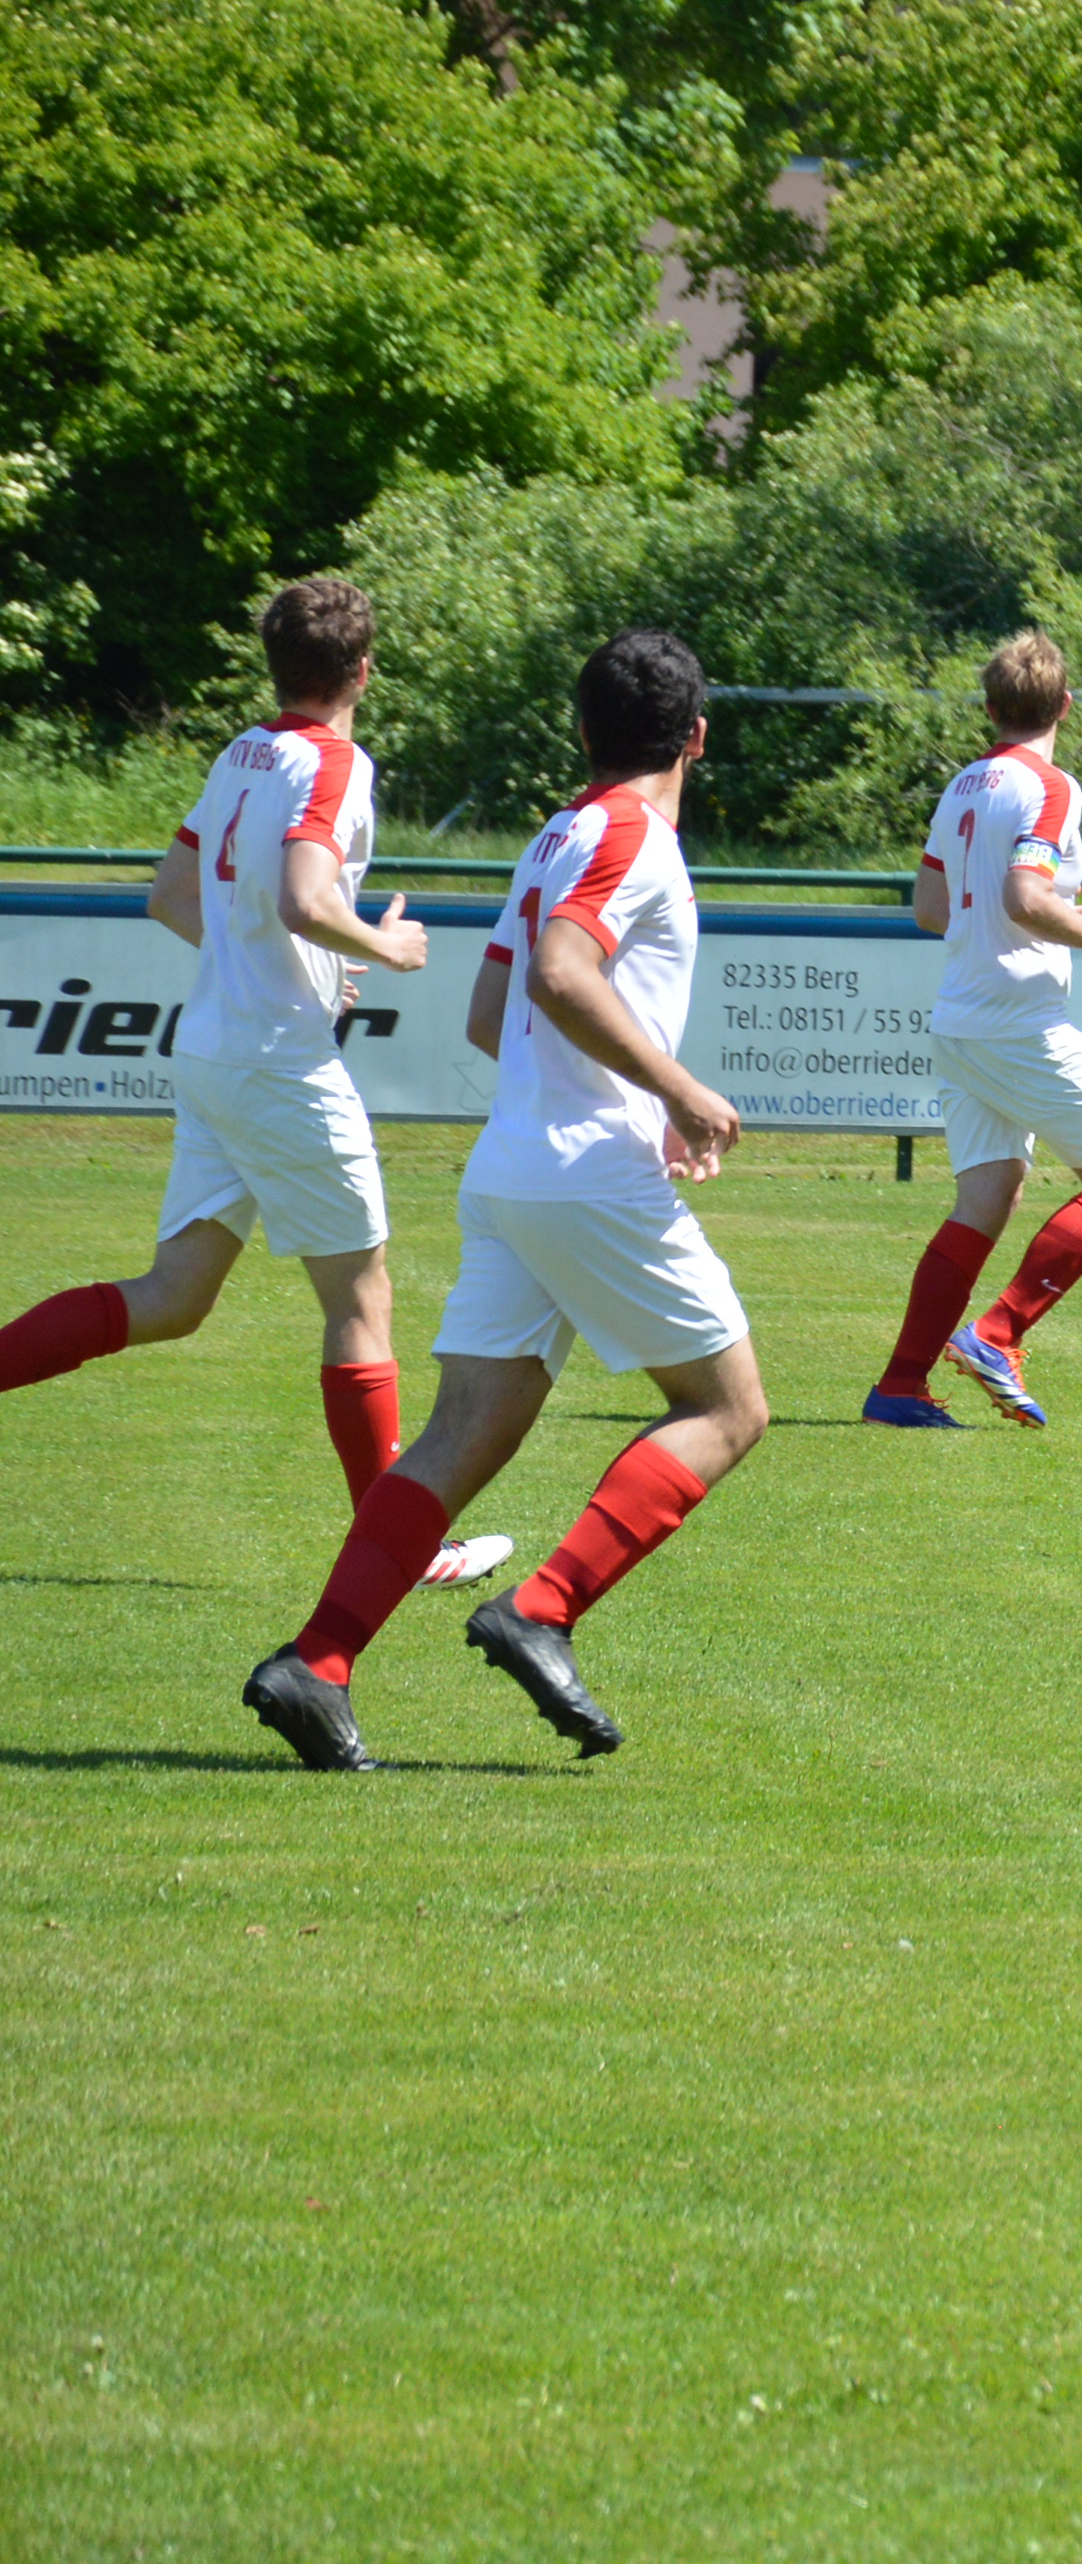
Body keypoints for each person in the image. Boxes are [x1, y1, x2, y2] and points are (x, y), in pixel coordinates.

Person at [240, 628, 770, 1771]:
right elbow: (563, 976)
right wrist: (675, 1093)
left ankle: (318, 1662)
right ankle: (543, 1609)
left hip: (514, 1166)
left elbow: (494, 1017)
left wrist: (613, 1092)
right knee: (727, 1409)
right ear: (697, 736)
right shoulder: (630, 832)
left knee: (461, 1432)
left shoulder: (556, 834)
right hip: (587, 1174)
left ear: (581, 730)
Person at [0, 582, 512, 1588]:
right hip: (280, 1064)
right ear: (363, 670)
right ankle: (402, 1550)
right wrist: (384, 946)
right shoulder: (336, 760)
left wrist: (297, 965)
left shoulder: (243, 751)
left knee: (173, 1298)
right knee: (360, 1297)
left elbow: (171, 897)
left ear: (275, 665)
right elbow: (305, 898)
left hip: (216, 1048)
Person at [865, 629, 1082, 1431]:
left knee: (987, 1197)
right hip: (1018, 1020)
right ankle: (997, 1334)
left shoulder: (963, 785)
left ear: (990, 710)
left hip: (960, 1018)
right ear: (1066, 706)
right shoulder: (1051, 786)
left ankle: (899, 1387)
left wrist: (1064, 917)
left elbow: (932, 908)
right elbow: (1024, 899)